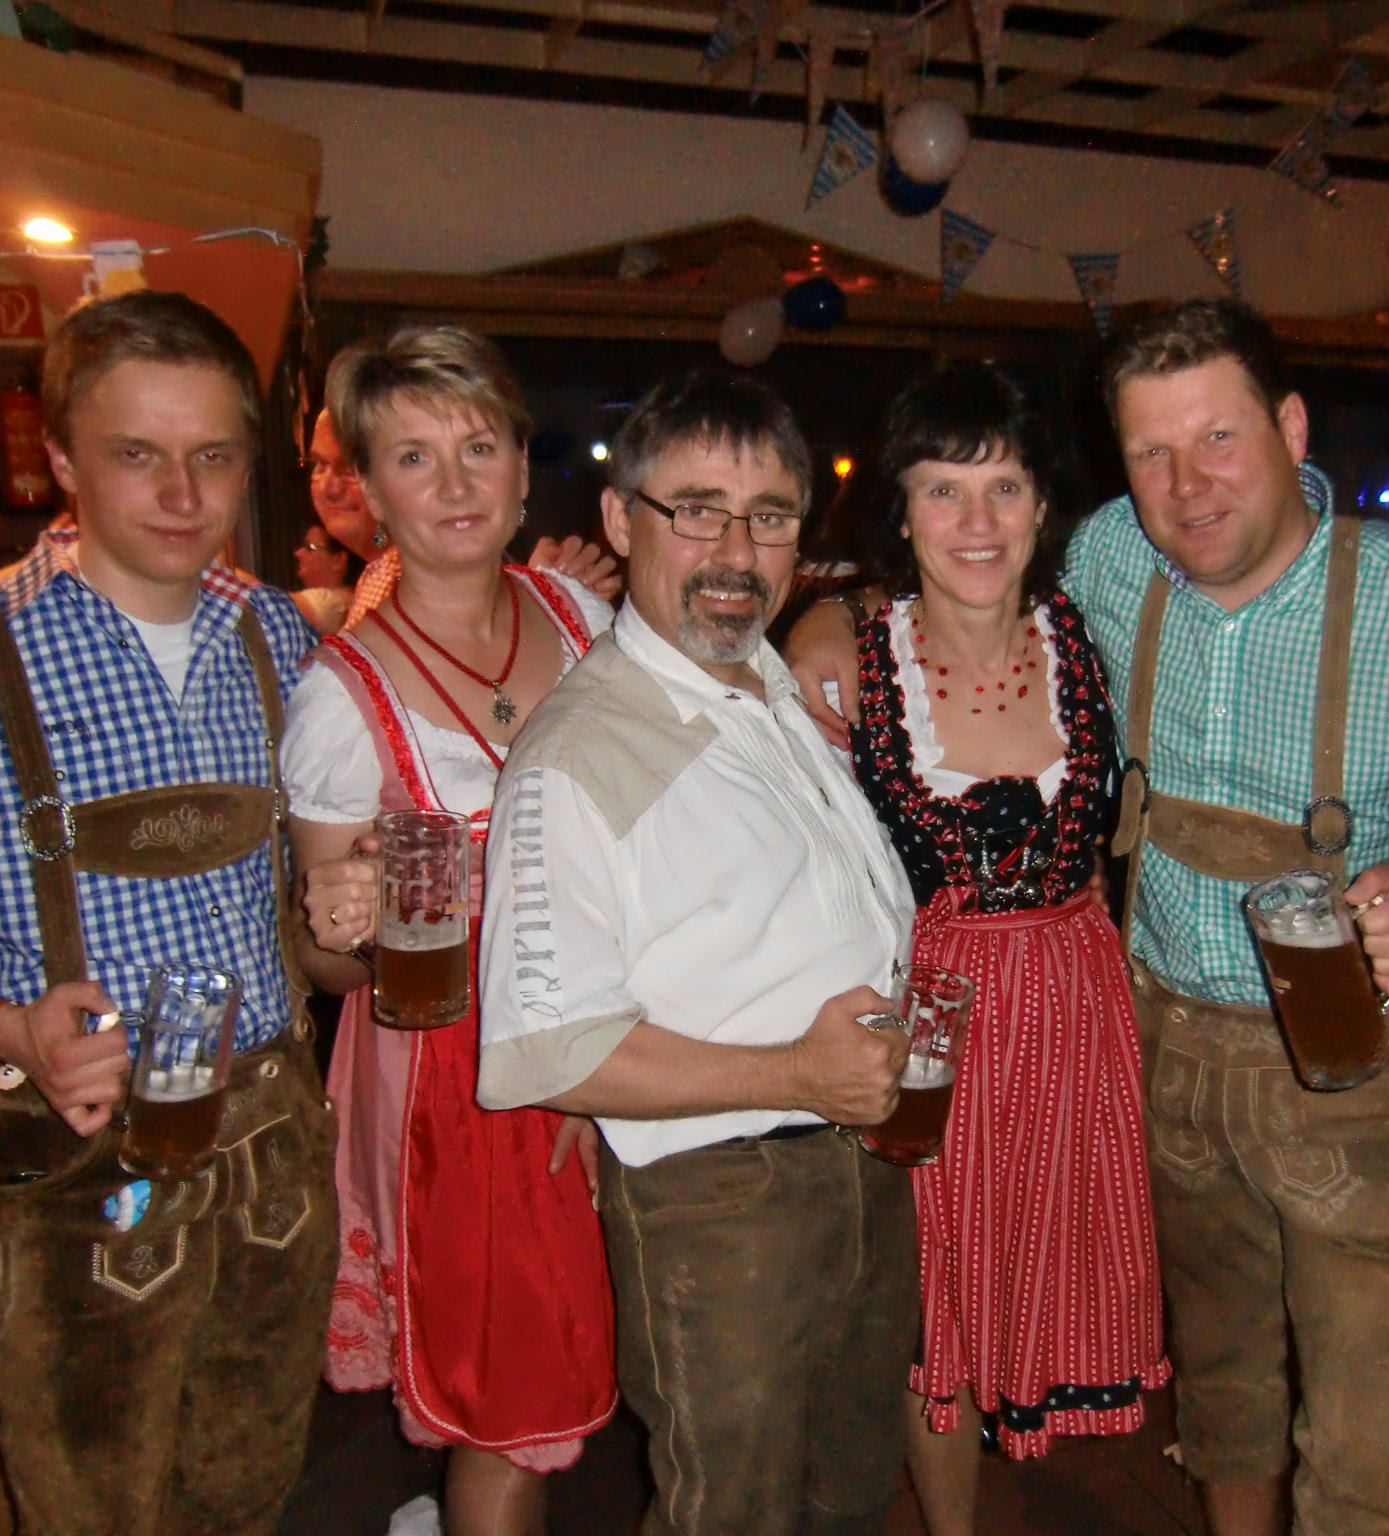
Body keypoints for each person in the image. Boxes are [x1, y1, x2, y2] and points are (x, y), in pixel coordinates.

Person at [788, 300, 1389, 1536]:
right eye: (1151, 452)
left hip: (1357, 1070)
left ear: (1291, 428)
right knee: (1224, 1393)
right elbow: (942, 576)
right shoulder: (1109, 563)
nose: (1187, 485)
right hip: (1157, 1052)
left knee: (1368, 1452)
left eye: (1218, 438)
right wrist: (816, 620)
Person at [0, 289, 335, 1534]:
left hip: (274, 1133)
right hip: (82, 1144)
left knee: (252, 1490)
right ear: (59, 459)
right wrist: (2, 1027)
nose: (182, 494)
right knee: (92, 1504)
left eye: (214, 456)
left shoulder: (276, 634)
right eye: (137, 454)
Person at [476, 369, 920, 1536]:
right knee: (733, 1514)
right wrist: (797, 1074)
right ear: (620, 521)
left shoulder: (761, 676)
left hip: (860, 1166)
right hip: (723, 1204)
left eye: (767, 516)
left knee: (848, 1492)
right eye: (696, 510)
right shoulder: (575, 757)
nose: (735, 550)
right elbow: (545, 1050)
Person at [285, 326, 617, 1536]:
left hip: (622, 1027)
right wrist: (345, 921)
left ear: (523, 467)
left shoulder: (580, 616)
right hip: (459, 1080)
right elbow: (328, 965)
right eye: (413, 458)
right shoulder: (340, 696)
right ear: (369, 494)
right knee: (507, 1411)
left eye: (479, 446)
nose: (455, 483)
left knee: (603, 1366)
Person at [838, 361, 1166, 1534]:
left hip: (1073, 1011)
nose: (975, 521)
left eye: (1005, 488)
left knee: (1037, 1264)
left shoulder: (1094, 639)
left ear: (1042, 506)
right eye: (942, 489)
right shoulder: (846, 655)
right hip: (931, 1023)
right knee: (937, 1298)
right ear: (899, 510)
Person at [308, 403, 624, 629]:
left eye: (478, 451)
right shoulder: (381, 581)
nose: (330, 487)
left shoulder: (395, 579)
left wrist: (543, 603)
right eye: (319, 465)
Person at [290, 519, 362, 635]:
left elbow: (278, 607)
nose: (298, 553)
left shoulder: (339, 604)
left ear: (338, 560)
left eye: (309, 547)